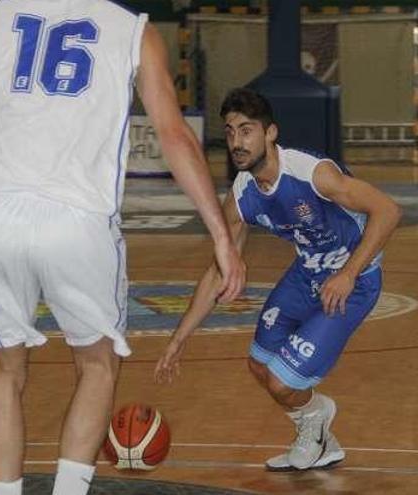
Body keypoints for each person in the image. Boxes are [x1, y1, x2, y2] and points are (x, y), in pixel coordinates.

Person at [0, 1, 245, 494]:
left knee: (3, 370)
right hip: (78, 219)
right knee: (97, 364)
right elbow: (174, 135)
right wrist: (219, 234)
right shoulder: (134, 32)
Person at [154, 87, 402, 472]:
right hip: (307, 272)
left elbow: (387, 210)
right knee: (259, 365)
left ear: (270, 133)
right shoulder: (241, 195)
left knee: (282, 383)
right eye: (231, 131)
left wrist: (349, 273)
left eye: (247, 130)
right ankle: (317, 431)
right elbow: (218, 269)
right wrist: (178, 338)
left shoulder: (311, 173)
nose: (237, 141)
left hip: (354, 280)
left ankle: (316, 417)